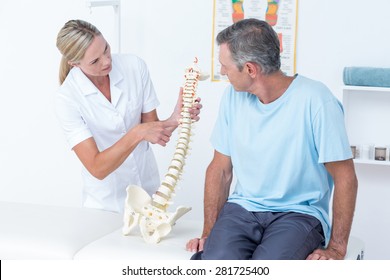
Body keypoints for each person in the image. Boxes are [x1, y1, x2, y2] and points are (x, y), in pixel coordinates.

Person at [186, 18, 358, 260]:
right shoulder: (233, 99)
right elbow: (220, 169)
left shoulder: (317, 101)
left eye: (225, 66)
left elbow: (345, 176)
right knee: (216, 261)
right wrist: (208, 233)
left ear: (250, 69)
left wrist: (337, 248)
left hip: (298, 213)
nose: (222, 71)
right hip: (243, 208)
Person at [55, 19, 201, 213]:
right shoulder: (67, 98)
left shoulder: (134, 66)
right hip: (105, 203)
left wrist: (176, 118)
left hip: (147, 191)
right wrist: (137, 133)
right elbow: (97, 167)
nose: (107, 61)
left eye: (106, 49)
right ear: (74, 64)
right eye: (95, 61)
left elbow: (152, 128)